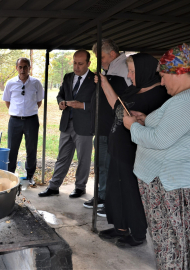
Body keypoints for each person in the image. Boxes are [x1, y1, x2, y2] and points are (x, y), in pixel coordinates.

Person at [123, 43, 190, 267]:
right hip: (164, 181)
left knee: (170, 241)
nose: (161, 82)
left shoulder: (185, 101)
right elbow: (171, 131)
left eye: (163, 76)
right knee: (168, 240)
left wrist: (132, 126)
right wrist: (145, 120)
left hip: (169, 184)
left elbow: (160, 140)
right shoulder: (181, 100)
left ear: (180, 72)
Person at [96, 53, 170, 247]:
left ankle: (137, 234)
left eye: (132, 71)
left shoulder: (160, 95)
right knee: (115, 190)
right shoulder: (134, 90)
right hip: (118, 149)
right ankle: (120, 227)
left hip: (135, 153)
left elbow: (160, 127)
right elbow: (117, 107)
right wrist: (104, 83)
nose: (129, 75)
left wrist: (145, 119)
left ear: (145, 70)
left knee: (131, 193)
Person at [39, 50, 96, 198]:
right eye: (75, 63)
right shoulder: (68, 77)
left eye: (80, 64)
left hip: (84, 126)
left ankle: (80, 187)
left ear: (89, 63)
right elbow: (60, 95)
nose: (76, 67)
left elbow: (100, 104)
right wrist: (61, 103)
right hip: (66, 124)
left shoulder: (95, 79)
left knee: (83, 158)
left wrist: (82, 105)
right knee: (62, 156)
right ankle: (53, 186)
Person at [87, 39, 132, 216]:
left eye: (101, 57)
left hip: (114, 128)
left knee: (110, 166)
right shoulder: (109, 68)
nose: (100, 61)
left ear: (112, 54)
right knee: (100, 165)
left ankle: (110, 200)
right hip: (102, 126)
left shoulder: (124, 68)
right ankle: (102, 195)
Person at [2, 57, 44, 187]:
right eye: (20, 67)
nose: (22, 70)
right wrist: (17, 112)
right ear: (16, 68)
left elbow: (39, 101)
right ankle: (11, 177)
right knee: (12, 149)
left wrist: (28, 113)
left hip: (31, 120)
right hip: (14, 121)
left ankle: (30, 176)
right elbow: (7, 101)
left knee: (31, 149)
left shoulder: (36, 83)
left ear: (29, 68)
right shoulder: (10, 83)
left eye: (25, 67)